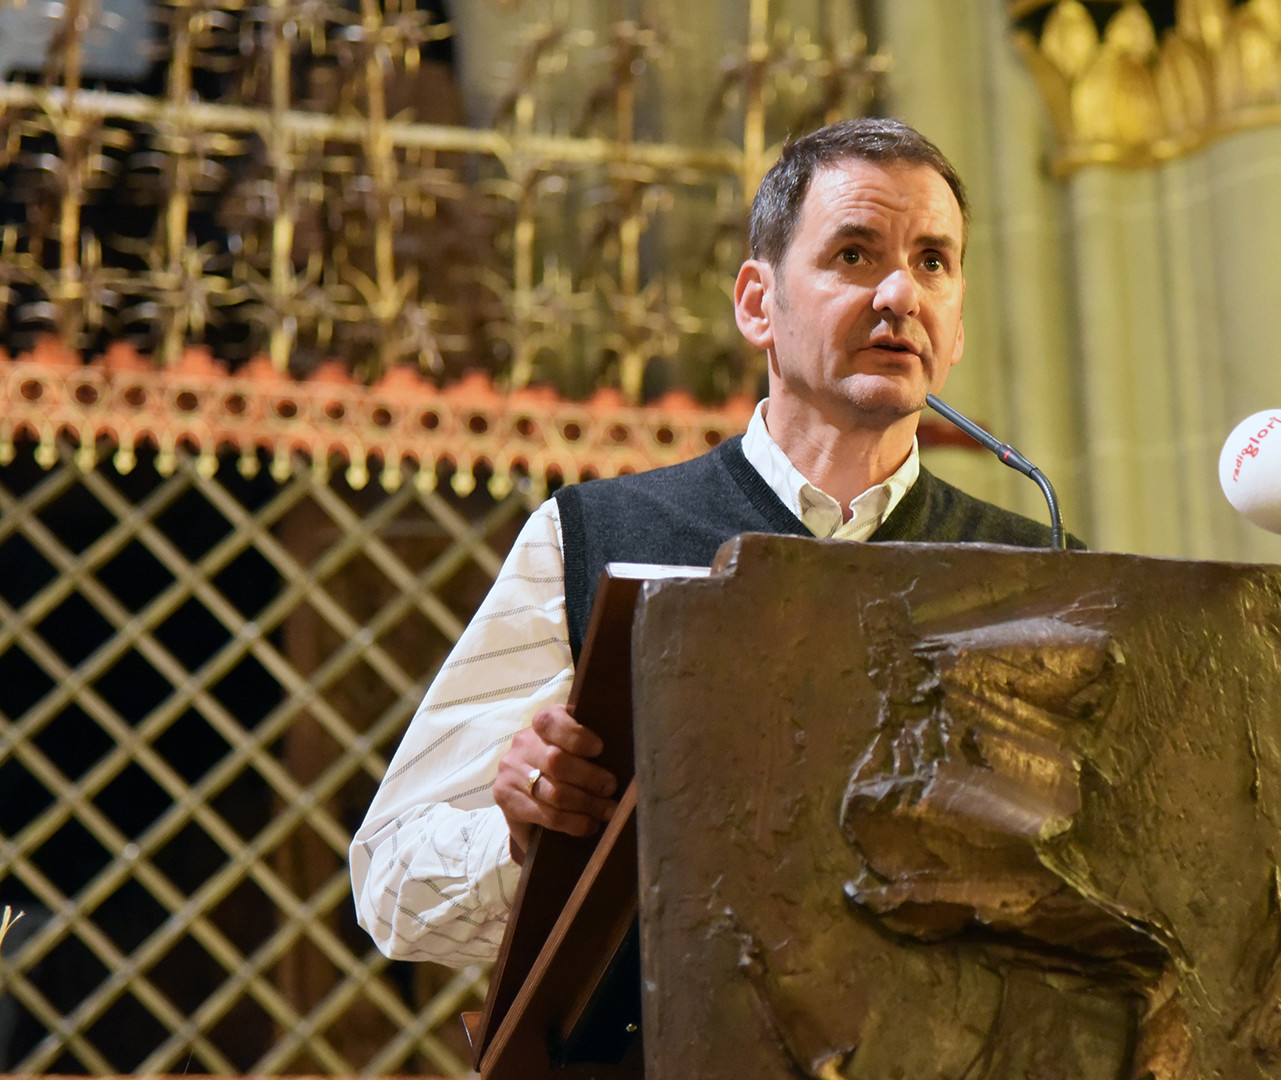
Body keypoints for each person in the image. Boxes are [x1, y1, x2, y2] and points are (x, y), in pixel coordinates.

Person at [350, 118, 1072, 966]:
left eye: (932, 263)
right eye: (854, 254)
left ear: (957, 326)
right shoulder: (594, 538)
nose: (900, 296)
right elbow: (391, 887)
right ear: (758, 304)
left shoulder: (1043, 573)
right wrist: (523, 836)